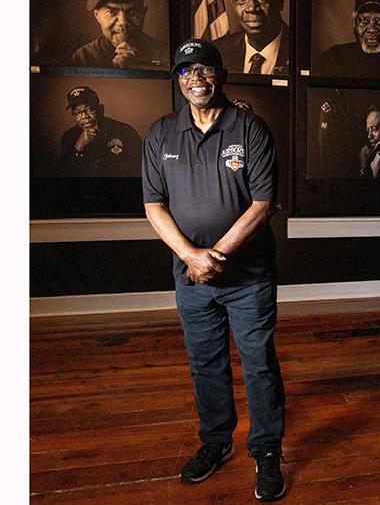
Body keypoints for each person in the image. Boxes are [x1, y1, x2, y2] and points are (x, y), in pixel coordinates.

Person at [141, 39, 286, 500]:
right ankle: (216, 443)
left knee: (259, 365)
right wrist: (190, 256)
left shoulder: (251, 129)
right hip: (191, 278)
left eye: (203, 70)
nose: (195, 79)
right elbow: (153, 205)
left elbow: (262, 205)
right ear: (178, 81)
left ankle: (266, 453)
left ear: (219, 75)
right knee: (205, 364)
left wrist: (213, 257)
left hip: (248, 277)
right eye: (186, 72)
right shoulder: (161, 134)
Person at [72, 0, 165, 69]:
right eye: (112, 12)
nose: (123, 22)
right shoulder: (84, 57)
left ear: (144, 13)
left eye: (132, 12)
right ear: (97, 15)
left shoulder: (161, 52)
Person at [214, 0, 290, 75]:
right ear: (232, 3)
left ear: (280, 0)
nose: (252, 8)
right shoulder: (217, 52)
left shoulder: (304, 52)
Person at [58, 86, 141, 177]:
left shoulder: (125, 132)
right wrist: (79, 147)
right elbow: (65, 173)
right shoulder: (69, 137)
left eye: (89, 109)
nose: (84, 116)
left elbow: (138, 169)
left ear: (101, 109)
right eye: (77, 112)